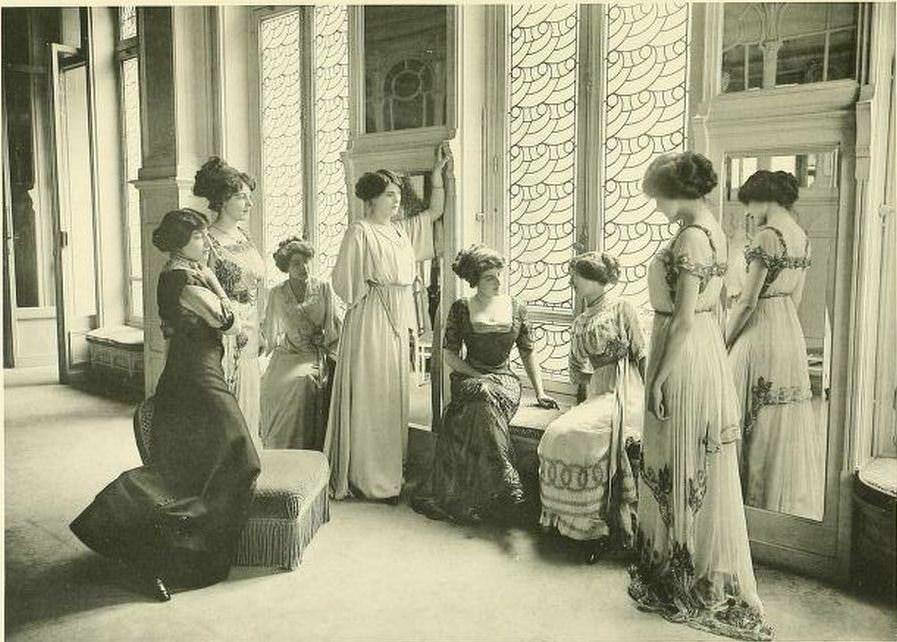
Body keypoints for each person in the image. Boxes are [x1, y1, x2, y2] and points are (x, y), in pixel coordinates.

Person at [70, 209, 261, 601]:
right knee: (241, 458)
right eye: (197, 239)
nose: (206, 243)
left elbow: (226, 318)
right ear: (178, 244)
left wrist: (211, 277)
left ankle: (178, 555)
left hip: (198, 372)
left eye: (207, 236)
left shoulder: (194, 273)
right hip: (193, 377)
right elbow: (227, 321)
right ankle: (166, 555)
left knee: (200, 469)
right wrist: (220, 296)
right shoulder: (179, 279)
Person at [627, 152, 773, 640]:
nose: (658, 208)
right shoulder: (715, 229)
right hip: (701, 347)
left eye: (659, 198)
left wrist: (662, 375)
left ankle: (685, 572)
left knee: (682, 456)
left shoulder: (691, 234)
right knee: (688, 459)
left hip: (683, 350)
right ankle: (683, 562)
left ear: (676, 193)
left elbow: (686, 316)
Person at [325, 143, 451, 501]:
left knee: (393, 393)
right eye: (390, 196)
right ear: (373, 199)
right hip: (371, 315)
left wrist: (438, 176)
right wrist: (371, 293)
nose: (396, 201)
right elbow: (343, 283)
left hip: (398, 314)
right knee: (372, 393)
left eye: (397, 195)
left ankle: (390, 472)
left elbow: (435, 211)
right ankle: (368, 476)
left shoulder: (400, 231)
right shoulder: (360, 231)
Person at [411, 244, 558, 524]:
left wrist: (540, 392)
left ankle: (477, 496)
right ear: (475, 280)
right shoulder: (461, 308)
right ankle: (507, 484)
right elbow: (450, 355)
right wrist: (477, 376)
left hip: (504, 380)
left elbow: (528, 352)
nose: (498, 282)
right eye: (490, 277)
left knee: (478, 406)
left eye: (500, 275)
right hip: (469, 377)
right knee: (481, 394)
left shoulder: (517, 307)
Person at [726, 170, 823, 521]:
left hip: (761, 327)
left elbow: (747, 301)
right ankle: (773, 507)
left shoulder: (768, 236)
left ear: (763, 198)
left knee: (746, 412)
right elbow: (796, 297)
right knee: (777, 419)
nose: (749, 211)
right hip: (787, 330)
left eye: (750, 203)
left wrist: (725, 341)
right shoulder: (801, 236)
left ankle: (745, 506)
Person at [537, 252, 646, 563]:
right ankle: (572, 523)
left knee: (582, 436)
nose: (572, 282)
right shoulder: (581, 321)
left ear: (597, 279)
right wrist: (596, 374)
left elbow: (642, 352)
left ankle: (594, 529)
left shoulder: (622, 308)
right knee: (559, 431)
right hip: (599, 391)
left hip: (629, 390)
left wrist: (651, 395)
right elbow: (576, 372)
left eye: (577, 276)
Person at [194, 157, 266, 450]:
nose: (249, 204)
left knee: (248, 397)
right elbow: (200, 292)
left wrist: (259, 327)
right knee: (227, 397)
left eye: (250, 197)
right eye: (241, 197)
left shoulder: (244, 236)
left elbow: (256, 286)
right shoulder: (207, 241)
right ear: (223, 200)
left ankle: (248, 459)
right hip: (222, 331)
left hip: (249, 325)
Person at [260, 237, 343, 451]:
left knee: (301, 382)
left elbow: (334, 325)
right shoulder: (277, 293)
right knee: (271, 385)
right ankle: (277, 447)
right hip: (287, 353)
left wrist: (323, 340)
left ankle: (302, 448)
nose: (302, 267)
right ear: (286, 267)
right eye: (296, 263)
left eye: (305, 261)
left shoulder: (323, 288)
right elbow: (269, 328)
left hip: (312, 353)